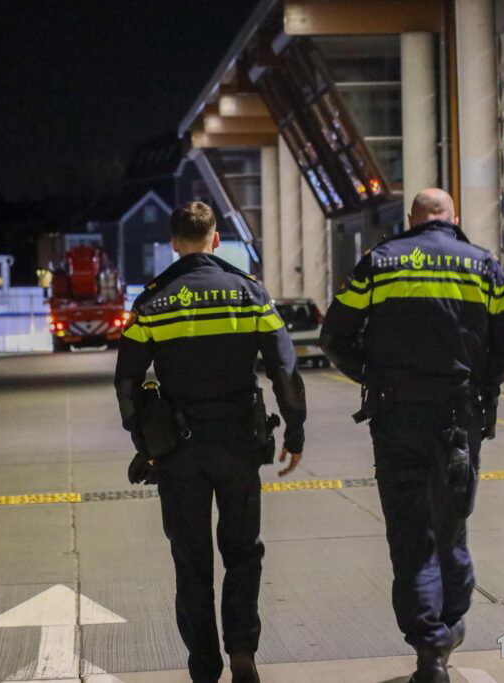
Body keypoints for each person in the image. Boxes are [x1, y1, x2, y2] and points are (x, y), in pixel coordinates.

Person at [320, 188, 504, 683]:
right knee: (451, 530)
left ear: (412, 218)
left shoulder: (379, 263)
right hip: (459, 417)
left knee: (410, 535)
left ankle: (428, 646)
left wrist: (371, 375)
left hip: (396, 418)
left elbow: (335, 337)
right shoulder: (484, 266)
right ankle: (447, 629)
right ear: (454, 218)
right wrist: (480, 384)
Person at [114, 201, 306, 683]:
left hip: (178, 451)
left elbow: (126, 381)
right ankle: (242, 650)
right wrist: (296, 430)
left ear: (174, 243)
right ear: (215, 239)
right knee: (243, 551)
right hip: (239, 442)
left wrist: (145, 441)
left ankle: (204, 665)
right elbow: (284, 368)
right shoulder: (249, 293)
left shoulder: (152, 301)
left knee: (191, 558)